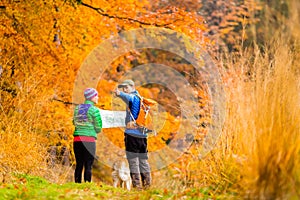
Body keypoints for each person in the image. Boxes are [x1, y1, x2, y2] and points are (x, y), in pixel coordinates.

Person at [113, 79, 151, 190]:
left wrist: (119, 94)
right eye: (123, 88)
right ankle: (147, 186)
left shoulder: (133, 97)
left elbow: (129, 98)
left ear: (132, 87)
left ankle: (137, 187)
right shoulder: (141, 100)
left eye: (126, 87)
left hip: (132, 136)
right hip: (142, 136)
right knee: (143, 161)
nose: (125, 90)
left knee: (133, 161)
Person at [72, 88, 102, 183]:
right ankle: (87, 185)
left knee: (79, 164)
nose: (98, 97)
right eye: (96, 95)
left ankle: (77, 185)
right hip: (89, 140)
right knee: (88, 165)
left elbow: (74, 122)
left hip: (77, 140)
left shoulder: (77, 108)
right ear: (92, 97)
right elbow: (98, 128)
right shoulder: (94, 110)